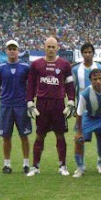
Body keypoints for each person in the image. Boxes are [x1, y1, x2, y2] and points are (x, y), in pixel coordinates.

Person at [26, 36, 75, 177]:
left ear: (58, 48)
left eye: (53, 47)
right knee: (39, 135)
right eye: (48, 46)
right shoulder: (36, 65)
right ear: (44, 47)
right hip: (42, 104)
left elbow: (70, 85)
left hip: (58, 104)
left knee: (60, 135)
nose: (51, 49)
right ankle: (35, 166)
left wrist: (71, 101)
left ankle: (63, 165)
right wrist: (30, 102)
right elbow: (30, 85)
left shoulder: (65, 65)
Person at [0, 40, 31, 174]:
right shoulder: (0, 68)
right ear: (6, 51)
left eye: (14, 48)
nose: (12, 51)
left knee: (24, 136)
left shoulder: (26, 67)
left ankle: (26, 164)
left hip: (21, 106)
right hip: (6, 107)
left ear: (18, 51)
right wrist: (5, 97)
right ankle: (7, 164)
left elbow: (31, 86)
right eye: (10, 49)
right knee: (6, 137)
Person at [72, 43, 101, 174]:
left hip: (99, 110)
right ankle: (80, 165)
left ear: (93, 53)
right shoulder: (76, 70)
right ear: (82, 54)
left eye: (89, 52)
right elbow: (72, 89)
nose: (87, 54)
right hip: (83, 110)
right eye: (85, 52)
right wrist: (74, 106)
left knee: (100, 137)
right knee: (80, 138)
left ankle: (100, 162)